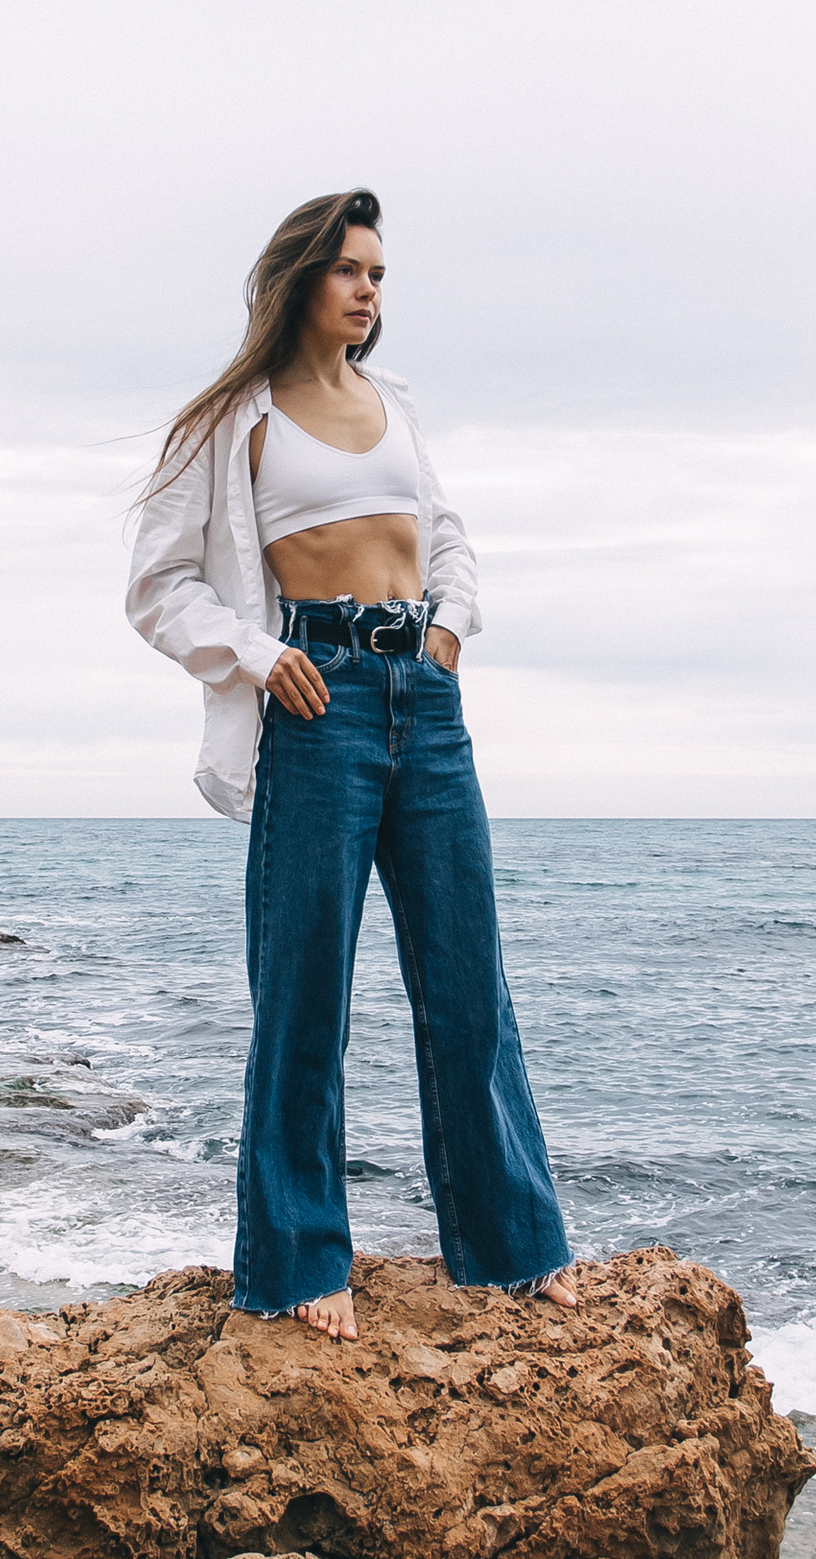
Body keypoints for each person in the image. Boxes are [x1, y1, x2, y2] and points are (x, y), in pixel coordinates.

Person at [126, 185, 576, 1342]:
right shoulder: (232, 423)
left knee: (467, 985)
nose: (369, 291)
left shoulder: (399, 405)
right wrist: (255, 653)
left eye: (379, 273)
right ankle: (295, 1264)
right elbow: (158, 588)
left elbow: (449, 537)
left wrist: (448, 631)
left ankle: (514, 1249)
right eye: (350, 271)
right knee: (303, 998)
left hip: (422, 702)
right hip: (314, 703)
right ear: (299, 282)